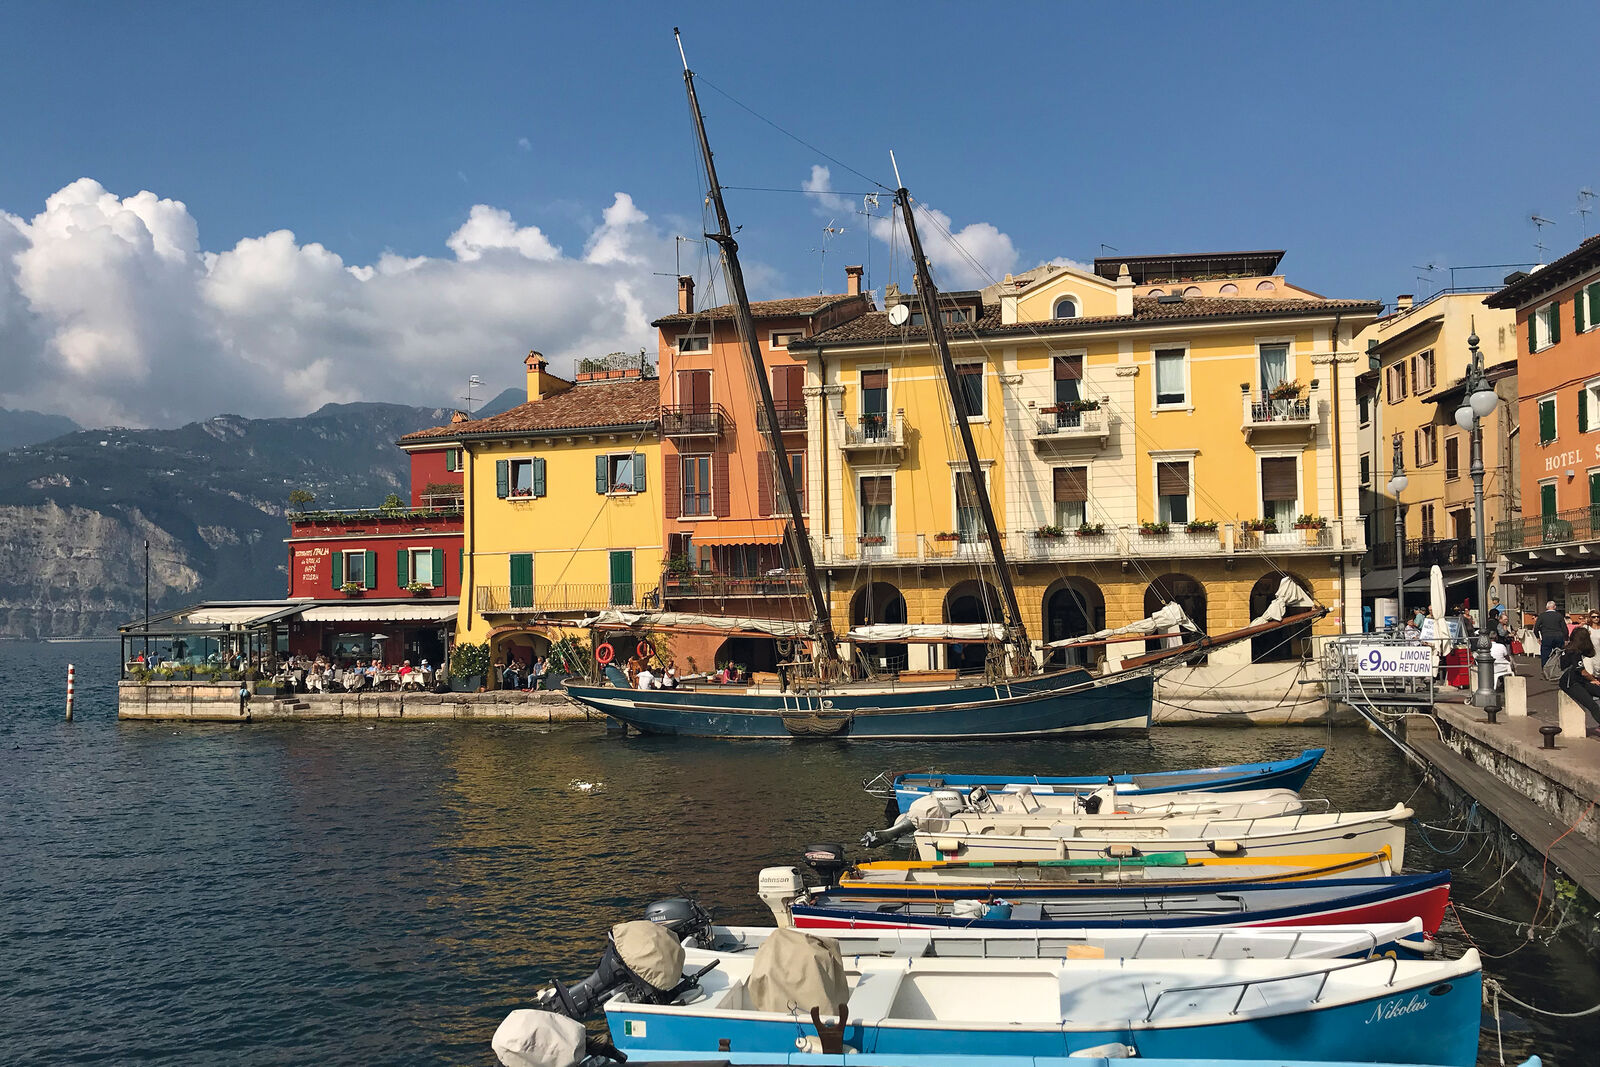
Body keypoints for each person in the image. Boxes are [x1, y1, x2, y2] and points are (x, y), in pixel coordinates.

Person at [1557, 628, 1600, 737]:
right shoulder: (1574, 652)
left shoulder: (1568, 648)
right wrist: (1593, 680)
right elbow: (1582, 672)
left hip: (1577, 680)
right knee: (1592, 705)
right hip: (1570, 683)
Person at [1536, 600, 1570, 666]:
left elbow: (1536, 628)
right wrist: (1566, 639)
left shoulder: (1542, 616)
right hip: (1558, 636)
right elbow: (1564, 629)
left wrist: (1538, 637)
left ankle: (1545, 669)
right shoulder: (1559, 616)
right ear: (1555, 607)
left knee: (1545, 655)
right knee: (1559, 653)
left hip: (1546, 636)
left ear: (1546, 607)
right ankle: (1559, 667)